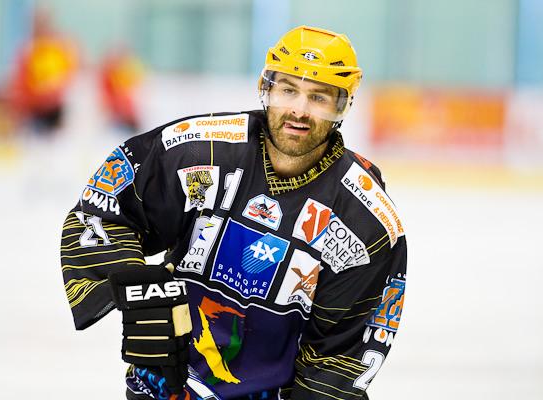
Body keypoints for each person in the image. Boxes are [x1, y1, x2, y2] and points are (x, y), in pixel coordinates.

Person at [60, 25, 407, 400]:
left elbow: (338, 360)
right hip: (164, 389)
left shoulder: (365, 221)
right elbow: (104, 207)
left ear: (343, 106)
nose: (299, 110)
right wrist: (135, 285)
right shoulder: (199, 150)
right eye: (288, 89)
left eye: (319, 97)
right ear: (266, 88)